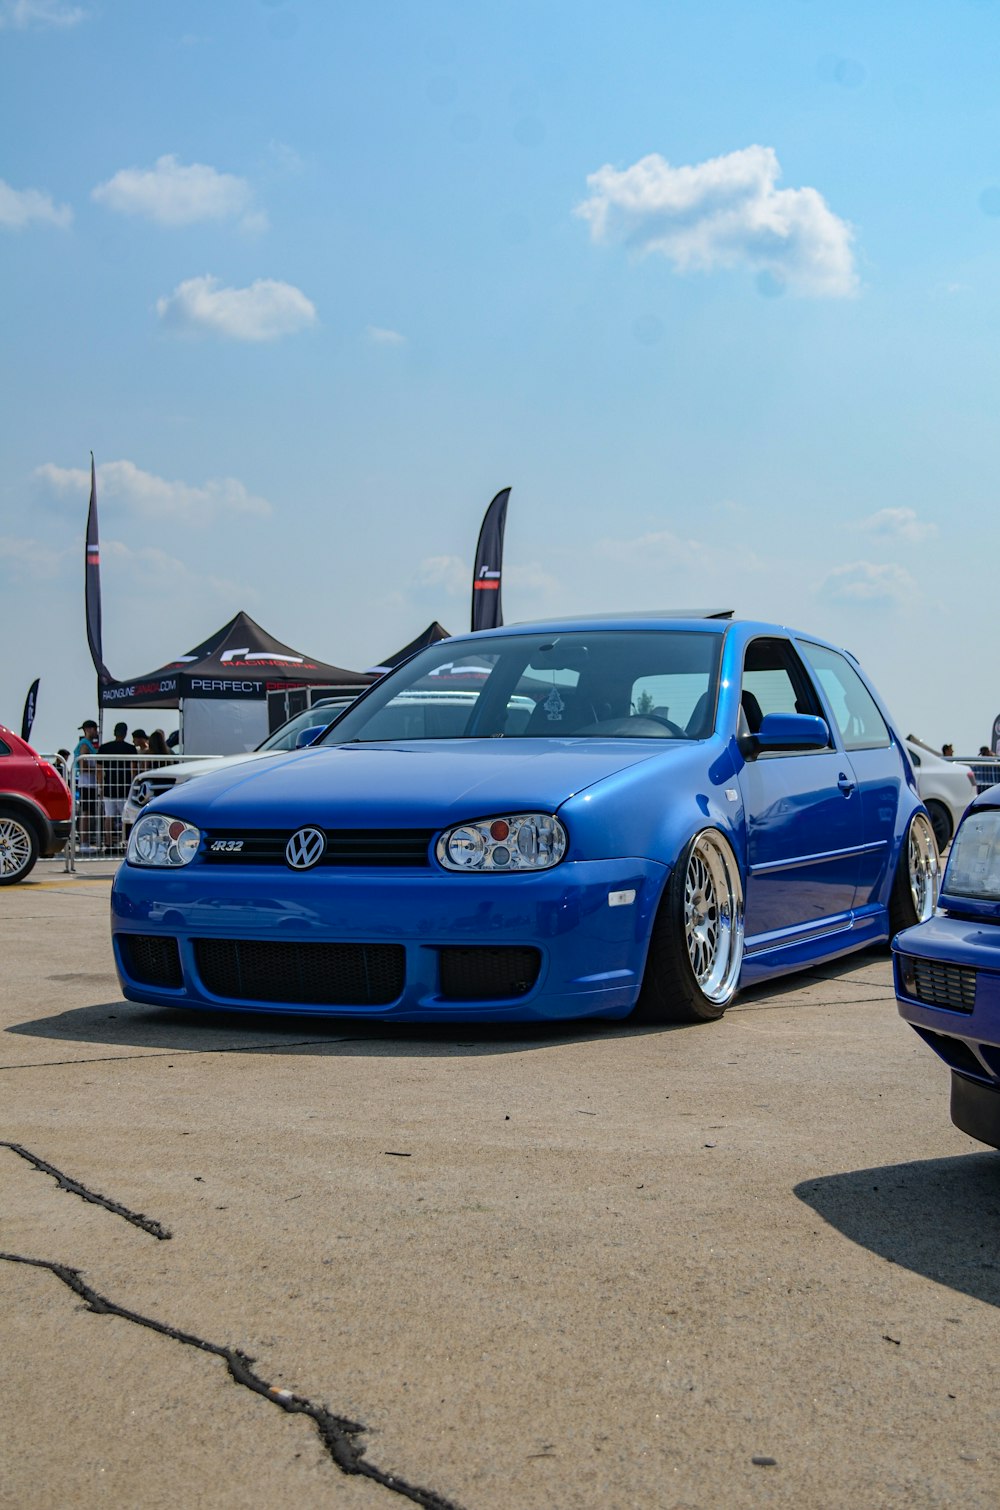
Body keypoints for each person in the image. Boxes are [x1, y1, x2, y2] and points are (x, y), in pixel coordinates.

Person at [97, 722, 137, 853]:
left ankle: (108, 843)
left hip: (109, 786)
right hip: (124, 787)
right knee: (125, 818)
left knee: (109, 816)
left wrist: (100, 786)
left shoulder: (104, 748)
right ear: (125, 733)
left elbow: (99, 769)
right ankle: (124, 843)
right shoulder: (130, 749)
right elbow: (134, 770)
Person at [72, 720, 101, 851]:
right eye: (95, 729)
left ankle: (85, 842)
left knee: (87, 812)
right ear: (89, 730)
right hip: (87, 784)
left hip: (89, 784)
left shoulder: (87, 744)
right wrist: (98, 770)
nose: (96, 732)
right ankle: (84, 843)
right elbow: (83, 766)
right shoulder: (84, 745)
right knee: (86, 813)